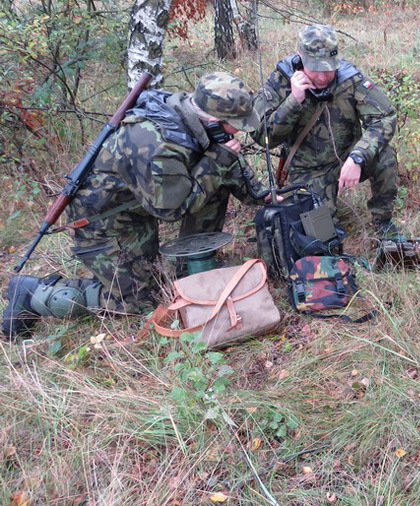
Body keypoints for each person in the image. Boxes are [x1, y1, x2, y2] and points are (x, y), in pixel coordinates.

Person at [2, 72, 271, 339]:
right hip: (106, 224)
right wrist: (218, 160)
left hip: (141, 209)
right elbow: (172, 209)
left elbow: (225, 159)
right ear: (213, 121)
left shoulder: (192, 116)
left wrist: (264, 196)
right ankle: (31, 293)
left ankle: (190, 271)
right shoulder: (158, 142)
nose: (239, 131)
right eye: (235, 125)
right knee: (140, 303)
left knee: (214, 173)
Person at [252, 24, 399, 236]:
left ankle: (383, 223)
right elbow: (263, 136)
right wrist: (293, 101)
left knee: (384, 155)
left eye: (328, 69)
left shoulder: (349, 79)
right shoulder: (280, 81)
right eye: (315, 69)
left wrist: (358, 157)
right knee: (320, 238)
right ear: (300, 58)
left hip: (346, 158)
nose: (322, 78)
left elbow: (384, 117)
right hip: (308, 171)